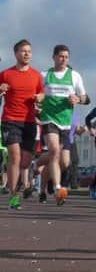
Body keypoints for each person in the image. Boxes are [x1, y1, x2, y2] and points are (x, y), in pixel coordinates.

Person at [36, 45, 89, 206]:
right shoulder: (44, 75)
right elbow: (36, 95)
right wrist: (37, 100)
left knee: (64, 162)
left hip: (66, 123)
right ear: (53, 57)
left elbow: (86, 98)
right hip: (48, 119)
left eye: (66, 56)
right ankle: (58, 188)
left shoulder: (74, 76)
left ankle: (42, 185)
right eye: (60, 56)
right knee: (53, 150)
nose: (63, 59)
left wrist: (78, 99)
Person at [0, 39, 45, 210]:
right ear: (16, 53)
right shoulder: (5, 74)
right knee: (15, 157)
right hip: (10, 120)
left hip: (29, 122)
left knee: (25, 162)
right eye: (23, 51)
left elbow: (41, 95)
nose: (27, 54)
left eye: (29, 51)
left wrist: (41, 98)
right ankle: (13, 197)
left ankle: (19, 179)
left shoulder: (36, 76)